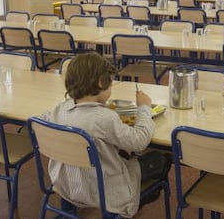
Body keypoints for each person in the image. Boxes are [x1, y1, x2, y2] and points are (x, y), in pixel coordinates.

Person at [40, 52, 171, 218]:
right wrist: (144, 108)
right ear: (101, 82)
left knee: (120, 153)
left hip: (65, 185)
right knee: (160, 159)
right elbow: (139, 141)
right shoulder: (105, 119)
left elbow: (41, 119)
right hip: (102, 190)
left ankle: (68, 211)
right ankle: (138, 200)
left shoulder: (59, 110)